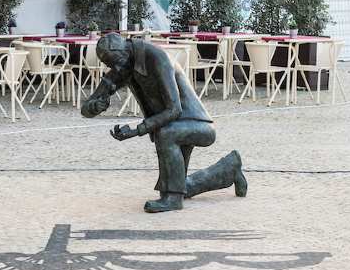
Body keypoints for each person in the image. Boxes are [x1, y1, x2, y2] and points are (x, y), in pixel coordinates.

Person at [81, 33, 247, 213]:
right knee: (181, 185)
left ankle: (173, 199)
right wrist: (94, 106)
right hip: (175, 125)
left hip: (198, 124)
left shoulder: (156, 58)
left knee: (166, 134)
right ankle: (230, 168)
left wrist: (137, 130)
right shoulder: (124, 63)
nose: (116, 69)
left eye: (116, 63)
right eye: (110, 66)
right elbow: (87, 107)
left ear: (124, 51)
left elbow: (174, 109)